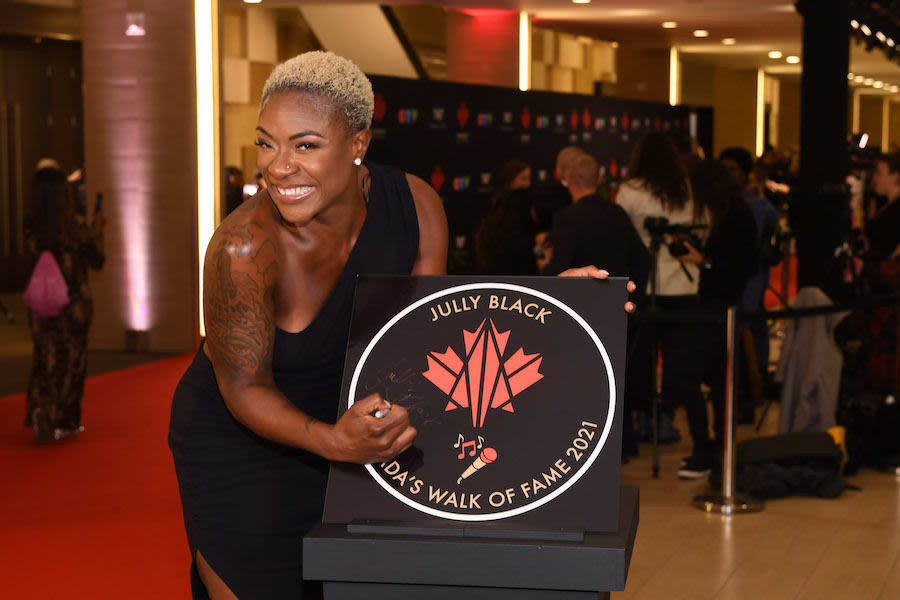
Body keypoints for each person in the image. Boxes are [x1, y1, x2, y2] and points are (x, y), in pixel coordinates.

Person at [168, 51, 636, 600]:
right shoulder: (242, 247)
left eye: (306, 145)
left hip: (356, 427)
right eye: (266, 142)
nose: (277, 166)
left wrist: (560, 304)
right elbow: (243, 387)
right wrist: (329, 440)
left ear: (358, 145)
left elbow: (429, 329)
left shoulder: (414, 204)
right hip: (246, 445)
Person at [542, 153, 650, 458]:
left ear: (568, 179)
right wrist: (630, 297)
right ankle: (623, 446)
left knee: (584, 387)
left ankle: (590, 451)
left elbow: (559, 271)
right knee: (617, 377)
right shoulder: (616, 213)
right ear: (599, 179)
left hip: (581, 315)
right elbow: (643, 259)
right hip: (616, 311)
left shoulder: (567, 218)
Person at [674, 160, 759, 479]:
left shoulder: (736, 216)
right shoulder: (730, 213)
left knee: (701, 378)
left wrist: (704, 261)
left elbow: (743, 265)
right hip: (717, 308)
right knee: (715, 382)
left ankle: (710, 450)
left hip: (721, 309)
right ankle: (713, 448)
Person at [616, 132, 699, 445]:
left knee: (641, 357)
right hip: (681, 285)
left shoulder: (630, 190)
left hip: (645, 283)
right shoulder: (684, 189)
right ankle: (665, 417)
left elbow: (623, 231)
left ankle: (642, 418)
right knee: (677, 359)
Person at [24, 163, 106, 443]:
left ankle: (41, 409)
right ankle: (65, 419)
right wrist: (97, 231)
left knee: (45, 358)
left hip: (41, 305)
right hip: (74, 305)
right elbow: (97, 260)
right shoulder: (75, 227)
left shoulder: (31, 230)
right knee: (72, 360)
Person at [720, 147, 779, 397]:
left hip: (751, 276)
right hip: (736, 277)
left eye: (732, 169)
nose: (727, 174)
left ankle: (754, 383)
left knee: (751, 326)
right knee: (753, 326)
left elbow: (769, 223)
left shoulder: (752, 203)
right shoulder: (728, 201)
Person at [474, 160, 536, 274]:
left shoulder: (498, 203)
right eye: (523, 178)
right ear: (510, 180)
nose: (527, 184)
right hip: (512, 265)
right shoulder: (511, 204)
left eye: (529, 179)